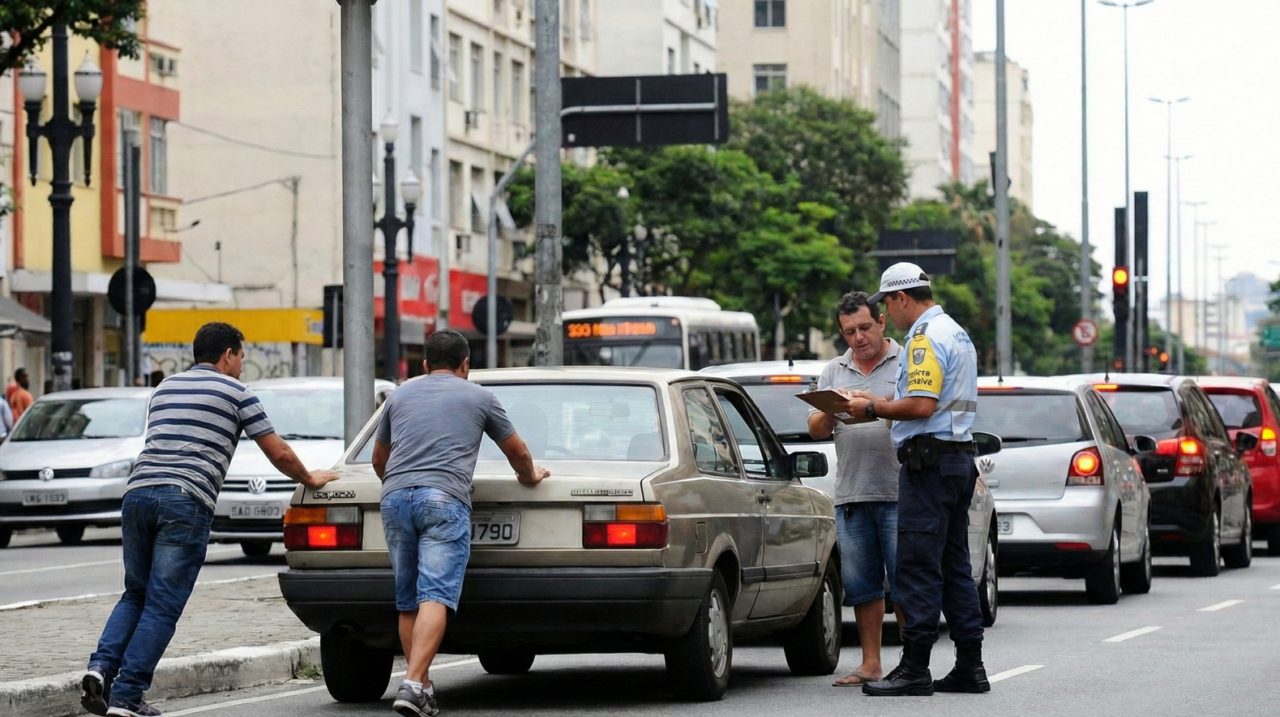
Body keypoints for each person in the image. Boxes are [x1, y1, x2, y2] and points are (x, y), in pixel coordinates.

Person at [81, 323, 340, 717]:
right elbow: (278, 452)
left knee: (135, 592)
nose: (241, 366)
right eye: (240, 357)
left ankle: (101, 669)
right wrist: (309, 477)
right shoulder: (238, 393)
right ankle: (127, 695)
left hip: (137, 494)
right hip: (183, 501)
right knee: (163, 604)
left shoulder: (164, 388)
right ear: (228, 355)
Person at [372, 329, 549, 717]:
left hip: (395, 497)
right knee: (434, 594)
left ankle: (423, 687)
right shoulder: (480, 396)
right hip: (443, 499)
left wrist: (401, 486)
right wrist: (530, 476)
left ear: (424, 365)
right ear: (466, 364)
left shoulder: (399, 395)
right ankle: (414, 683)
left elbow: (378, 459)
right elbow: (517, 451)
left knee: (407, 600)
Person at [843, 263, 988, 697]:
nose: (888, 311)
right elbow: (929, 399)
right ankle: (969, 665)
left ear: (902, 298)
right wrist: (881, 399)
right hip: (956, 460)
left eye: (887, 302)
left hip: (930, 466)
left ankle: (915, 668)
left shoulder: (924, 338)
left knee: (918, 568)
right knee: (954, 567)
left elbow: (922, 407)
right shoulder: (955, 332)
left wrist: (870, 410)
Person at [807, 291, 905, 687]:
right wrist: (832, 410)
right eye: (849, 332)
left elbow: (917, 405)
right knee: (862, 585)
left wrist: (873, 402)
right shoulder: (834, 370)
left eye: (865, 327)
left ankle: (913, 662)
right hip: (852, 493)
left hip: (900, 492)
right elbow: (815, 426)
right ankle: (871, 664)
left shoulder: (907, 360)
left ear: (881, 322)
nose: (858, 337)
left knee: (905, 584)